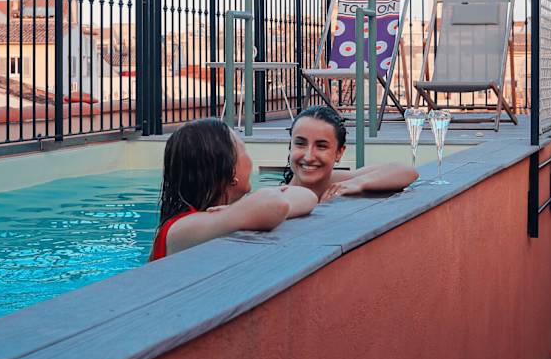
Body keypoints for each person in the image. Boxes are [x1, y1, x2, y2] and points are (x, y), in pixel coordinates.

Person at [150, 118, 317, 261]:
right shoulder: (182, 228)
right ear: (230, 170)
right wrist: (243, 210)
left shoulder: (224, 216)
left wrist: (239, 211)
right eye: (244, 149)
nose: (250, 159)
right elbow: (275, 205)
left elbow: (308, 196)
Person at [284, 105, 419, 201]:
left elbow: (406, 172)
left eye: (321, 146)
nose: (308, 157)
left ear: (339, 153)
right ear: (291, 146)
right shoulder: (280, 197)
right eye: (300, 144)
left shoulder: (337, 182)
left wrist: (357, 183)